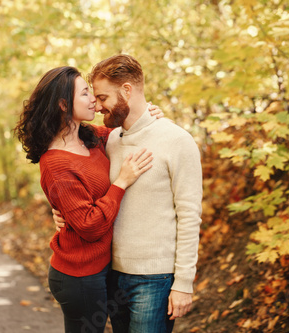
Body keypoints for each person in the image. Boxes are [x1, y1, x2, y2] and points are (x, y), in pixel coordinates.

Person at [54, 55, 203, 333]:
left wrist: (183, 284)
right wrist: (63, 212)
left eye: (102, 97)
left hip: (155, 279)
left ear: (126, 91)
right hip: (112, 274)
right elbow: (82, 184)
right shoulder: (109, 139)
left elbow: (189, 217)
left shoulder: (177, 141)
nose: (96, 106)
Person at [14, 66, 163, 333]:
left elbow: (126, 134)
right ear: (62, 104)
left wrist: (149, 114)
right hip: (79, 275)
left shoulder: (90, 137)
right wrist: (121, 182)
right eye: (85, 93)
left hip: (102, 267)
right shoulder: (56, 163)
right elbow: (89, 225)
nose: (93, 98)